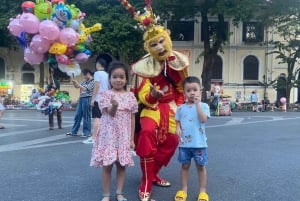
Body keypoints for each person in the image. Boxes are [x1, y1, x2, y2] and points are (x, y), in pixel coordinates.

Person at [120, 2, 189, 200]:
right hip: (151, 107)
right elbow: (142, 95)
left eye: (161, 41)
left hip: (173, 107)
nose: (159, 47)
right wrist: (153, 96)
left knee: (173, 140)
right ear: (147, 47)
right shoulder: (144, 66)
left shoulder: (178, 62)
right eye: (154, 44)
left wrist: (181, 108)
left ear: (167, 38)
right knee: (148, 133)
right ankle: (146, 181)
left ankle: (154, 173)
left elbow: (181, 89)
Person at [90, 61, 138, 201]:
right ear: (110, 78)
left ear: (126, 79)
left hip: (123, 136)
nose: (118, 80)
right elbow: (110, 113)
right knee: (107, 165)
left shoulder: (130, 96)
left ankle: (119, 192)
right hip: (108, 135)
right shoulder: (105, 94)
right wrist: (115, 105)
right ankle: (106, 195)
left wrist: (131, 139)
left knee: (121, 165)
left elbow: (132, 118)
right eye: (115, 77)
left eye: (121, 77)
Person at [174, 76, 210, 201]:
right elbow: (178, 121)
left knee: (200, 166)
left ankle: (203, 191)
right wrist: (177, 127)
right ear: (184, 93)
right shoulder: (180, 108)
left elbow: (203, 119)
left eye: (195, 89)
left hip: (199, 144)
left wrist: (197, 104)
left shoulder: (204, 106)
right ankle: (183, 190)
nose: (192, 92)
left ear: (201, 90)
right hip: (184, 145)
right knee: (184, 166)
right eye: (188, 90)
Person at [83, 54, 111, 144]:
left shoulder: (97, 73)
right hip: (107, 98)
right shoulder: (107, 74)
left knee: (96, 118)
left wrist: (93, 99)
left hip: (99, 98)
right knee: (105, 118)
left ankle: (94, 137)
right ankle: (105, 137)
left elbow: (97, 85)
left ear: (98, 64)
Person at [66, 68, 94, 137]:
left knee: (86, 116)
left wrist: (76, 82)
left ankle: (87, 132)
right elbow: (77, 87)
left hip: (87, 98)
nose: (84, 77)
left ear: (88, 74)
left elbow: (84, 88)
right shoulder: (84, 81)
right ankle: (74, 131)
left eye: (84, 75)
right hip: (81, 98)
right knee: (78, 115)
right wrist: (73, 81)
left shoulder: (93, 82)